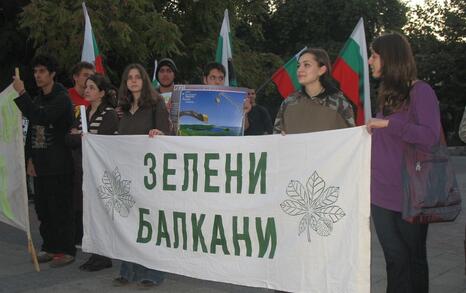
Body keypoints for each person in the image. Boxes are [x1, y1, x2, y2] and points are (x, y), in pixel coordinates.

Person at [365, 32, 441, 293]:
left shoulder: (421, 91)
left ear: (390, 57)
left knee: (413, 260)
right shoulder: (385, 96)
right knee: (394, 261)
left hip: (412, 193)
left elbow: (430, 137)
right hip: (380, 194)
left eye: (373, 55)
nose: (369, 61)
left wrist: (389, 124)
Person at [12, 54, 76, 267]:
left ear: (52, 74)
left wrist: (21, 93)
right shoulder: (38, 99)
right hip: (40, 164)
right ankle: (50, 247)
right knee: (43, 209)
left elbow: (41, 117)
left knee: (60, 209)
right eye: (35, 71)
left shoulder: (62, 98)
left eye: (42, 71)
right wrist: (30, 158)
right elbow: (32, 130)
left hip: (60, 164)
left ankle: (66, 250)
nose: (37, 76)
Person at [113, 63, 170, 288]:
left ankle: (153, 273)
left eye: (137, 77)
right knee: (129, 221)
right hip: (128, 172)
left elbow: (167, 133)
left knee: (149, 222)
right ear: (125, 83)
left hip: (149, 174)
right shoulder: (123, 108)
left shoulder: (156, 104)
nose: (133, 81)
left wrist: (160, 133)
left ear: (144, 80)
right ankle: (128, 271)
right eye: (129, 78)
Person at [66, 73, 119, 272]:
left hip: (102, 172)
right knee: (89, 212)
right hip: (85, 170)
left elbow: (101, 142)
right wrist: (83, 136)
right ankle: (96, 253)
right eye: (86, 87)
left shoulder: (109, 114)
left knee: (101, 213)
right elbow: (69, 139)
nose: (86, 90)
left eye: (91, 88)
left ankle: (104, 255)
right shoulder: (83, 112)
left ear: (102, 93)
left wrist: (81, 136)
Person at [273, 48, 355, 134]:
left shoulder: (340, 103)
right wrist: (281, 139)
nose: (299, 70)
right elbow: (276, 138)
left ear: (321, 70)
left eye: (306, 65)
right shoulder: (289, 102)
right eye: (298, 66)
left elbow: (350, 139)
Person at [67, 61, 95, 247]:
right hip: (70, 154)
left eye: (90, 75)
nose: (87, 79)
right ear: (75, 77)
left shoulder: (93, 98)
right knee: (73, 196)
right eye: (84, 75)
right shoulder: (67, 96)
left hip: (90, 156)